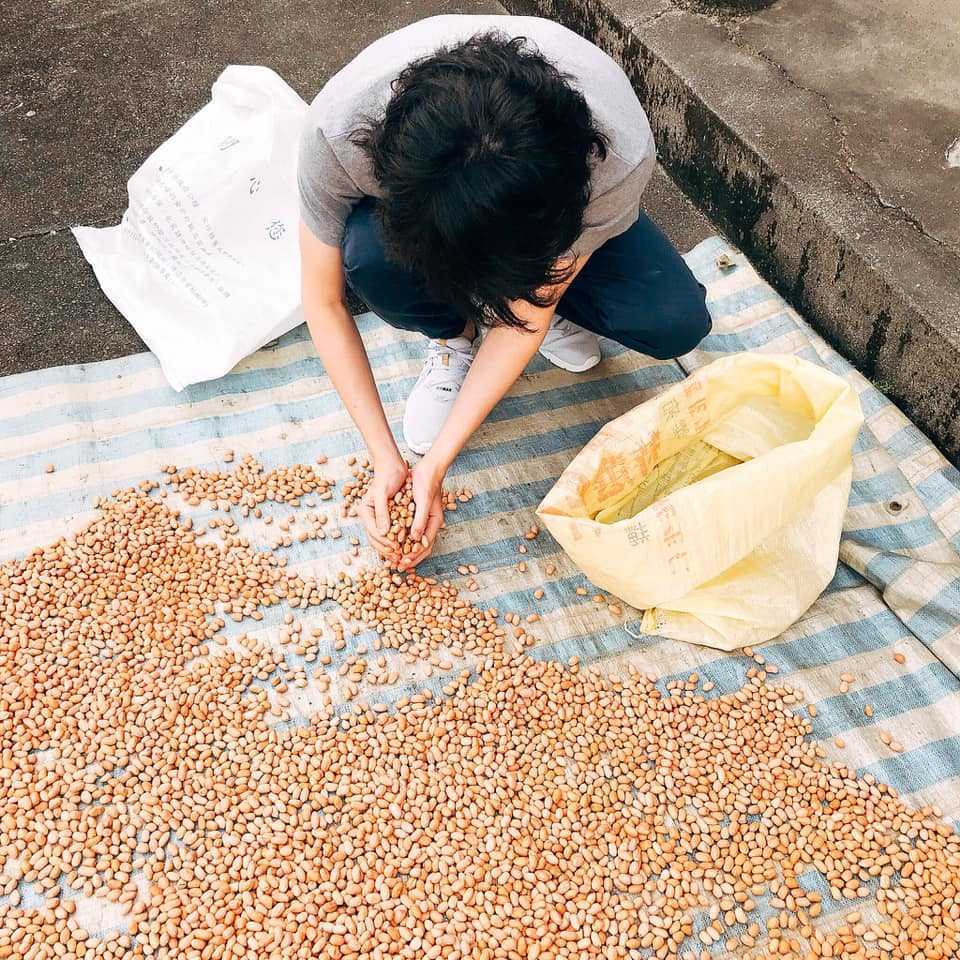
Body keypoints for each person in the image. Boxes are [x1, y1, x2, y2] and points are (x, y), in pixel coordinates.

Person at [298, 15, 711, 568]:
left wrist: (437, 460)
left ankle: (559, 301)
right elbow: (324, 301)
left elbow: (528, 313)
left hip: (555, 216)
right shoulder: (337, 135)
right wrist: (389, 461)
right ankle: (455, 334)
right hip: (438, 210)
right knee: (368, 256)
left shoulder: (615, 156)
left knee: (674, 319)